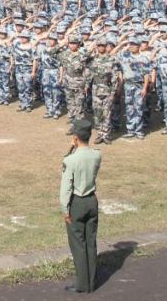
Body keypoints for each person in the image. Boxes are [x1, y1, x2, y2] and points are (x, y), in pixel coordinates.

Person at [60, 118, 101, 294]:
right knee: (91, 242)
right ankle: (91, 282)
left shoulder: (71, 160)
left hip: (76, 203)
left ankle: (82, 285)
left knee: (78, 245)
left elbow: (65, 189)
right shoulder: (97, 155)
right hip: (92, 200)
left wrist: (65, 210)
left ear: (75, 138)